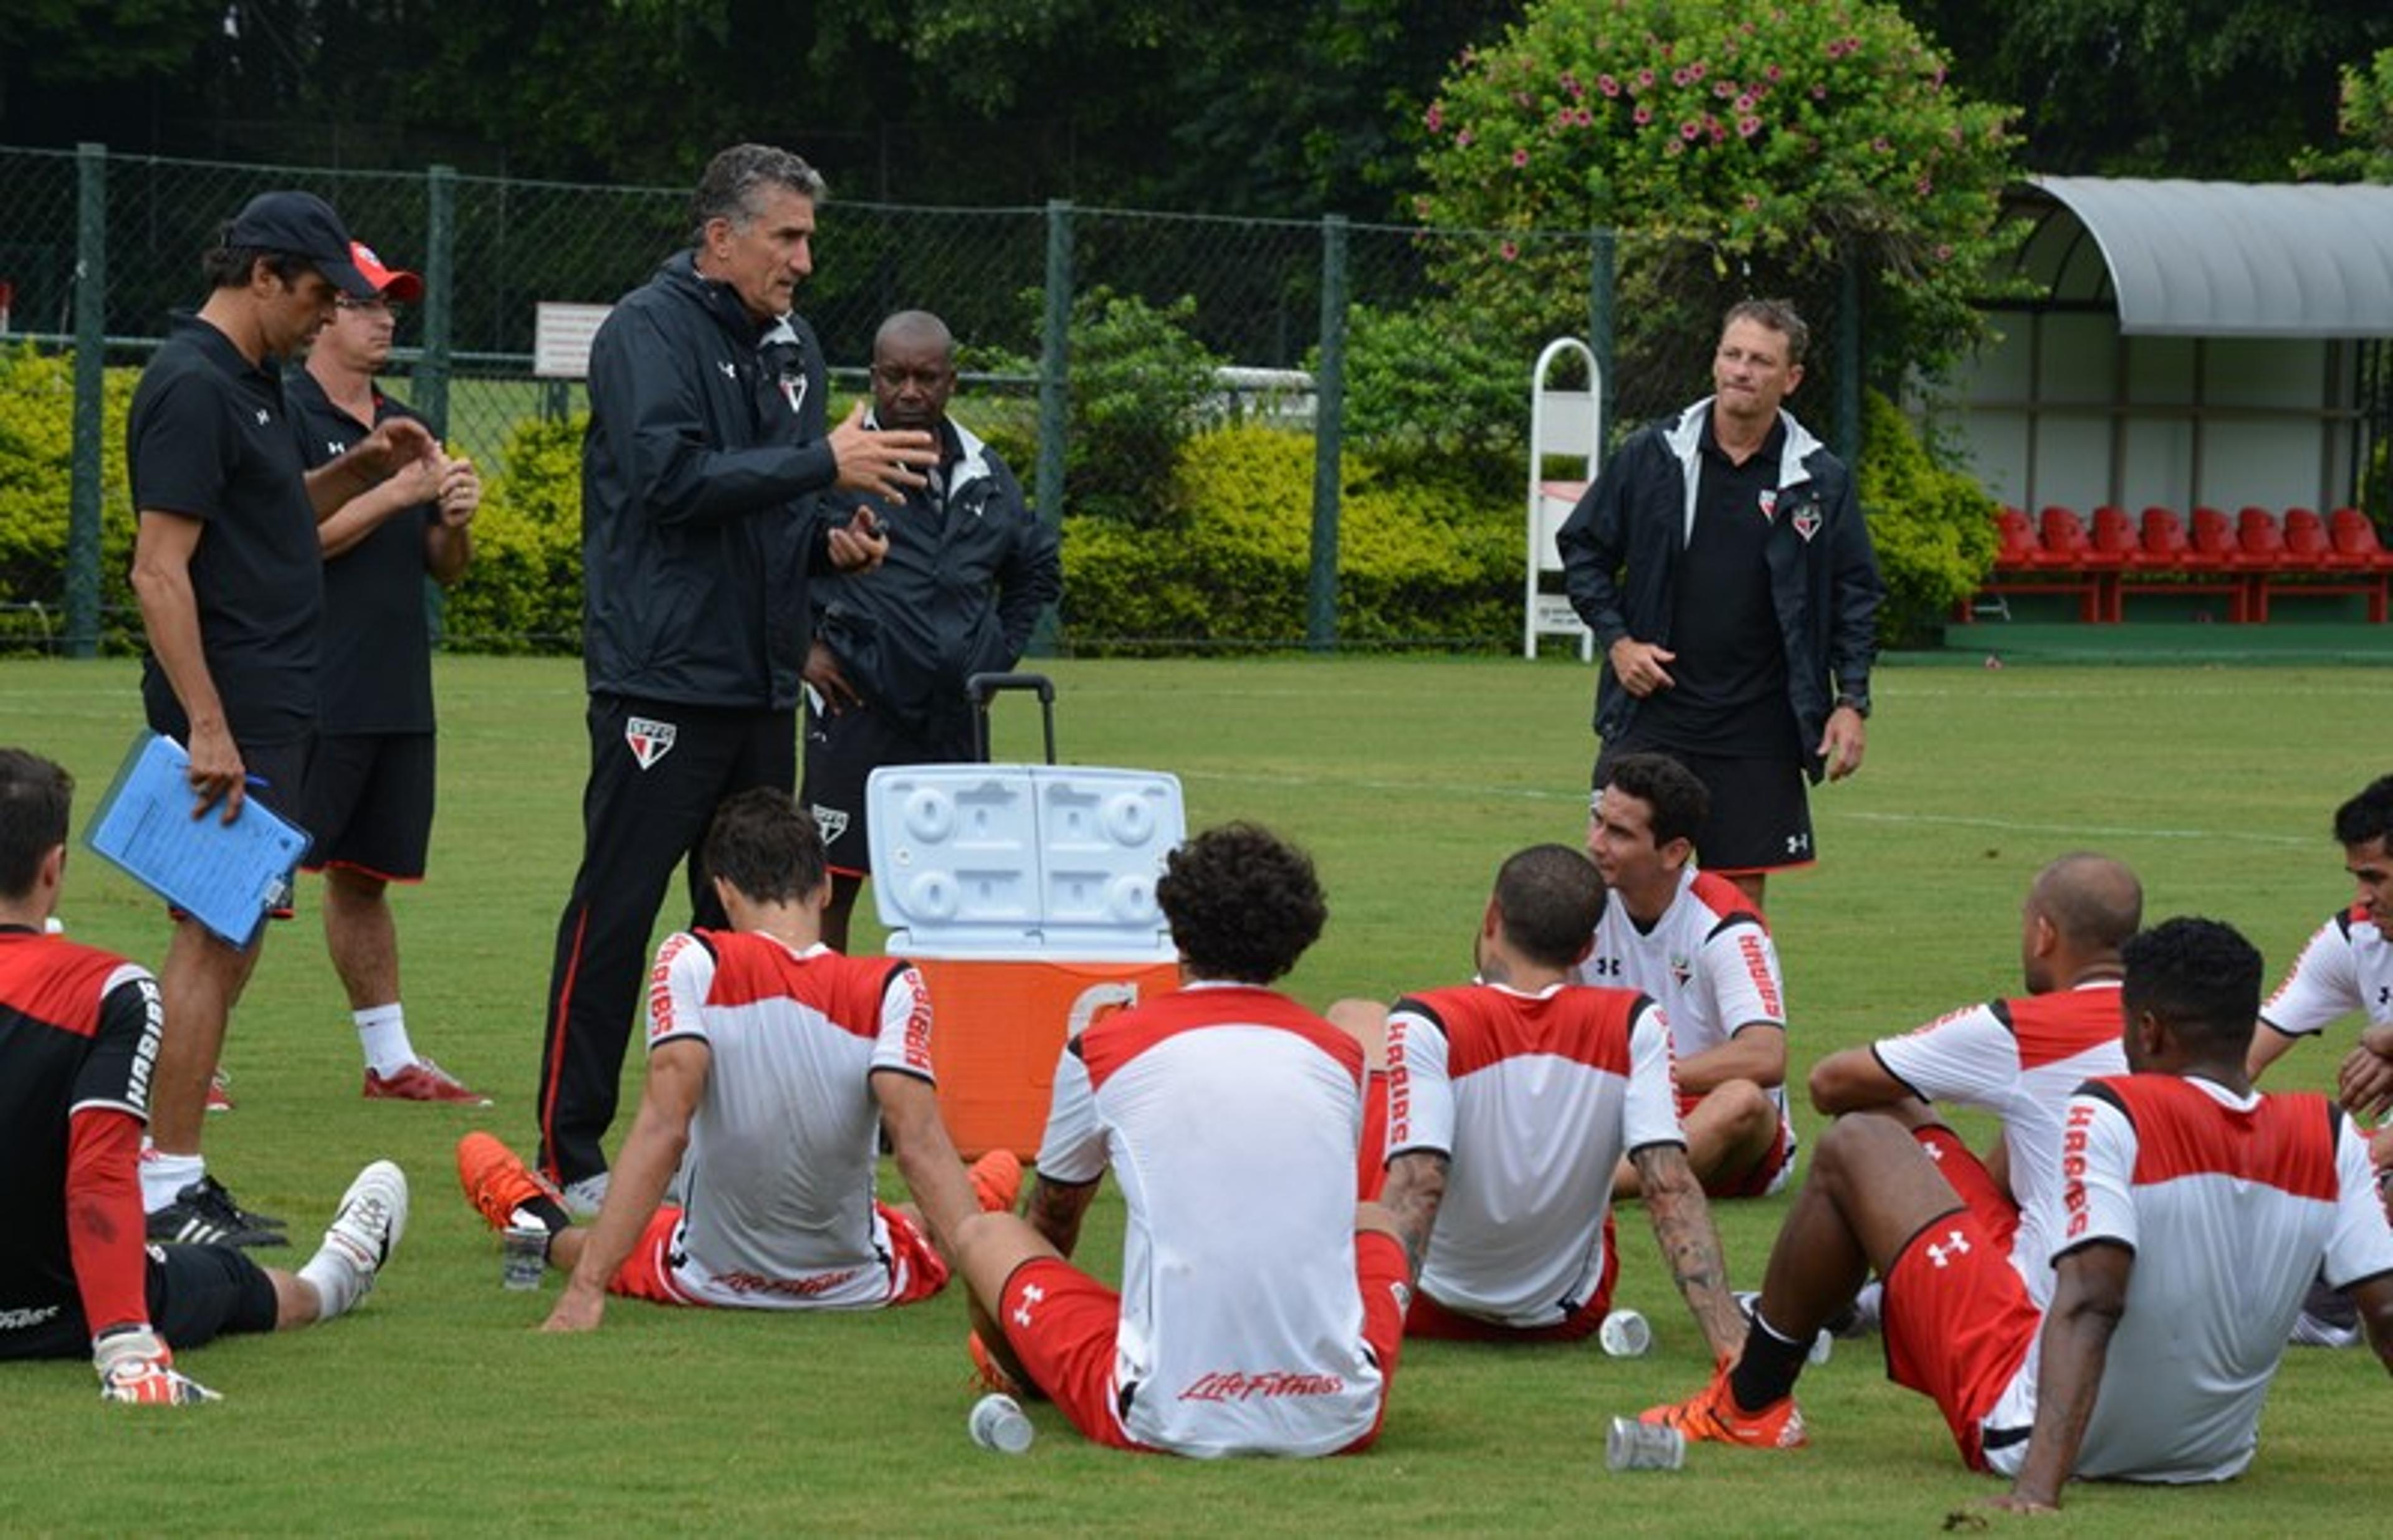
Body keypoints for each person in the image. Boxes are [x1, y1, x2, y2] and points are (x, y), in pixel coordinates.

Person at [1641, 918, 2393, 1513]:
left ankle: (1750, 1401)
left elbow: (2094, 1297)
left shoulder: (2116, 1109)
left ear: (2151, 1031)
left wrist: (2038, 1485)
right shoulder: (2329, 1134)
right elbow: (2384, 1310)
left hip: (2039, 1429)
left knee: (1857, 1142)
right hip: (2215, 1457)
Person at [534, 143, 939, 1211]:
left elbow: (777, 505)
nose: (804, 260)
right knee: (619, 913)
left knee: (754, 936)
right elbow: (669, 484)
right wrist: (823, 469)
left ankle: (728, 1158)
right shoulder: (644, 333)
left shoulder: (795, 343)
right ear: (721, 237)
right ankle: (572, 1156)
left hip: (764, 686)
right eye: (787, 236)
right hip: (661, 684)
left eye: (809, 238)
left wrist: (830, 538)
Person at [128, 191, 441, 1247]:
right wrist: (209, 724)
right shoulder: (189, 385)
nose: (325, 318)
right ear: (263, 274)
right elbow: (158, 569)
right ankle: (163, 1184)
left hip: (278, 705)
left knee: (234, 934)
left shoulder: (252, 384)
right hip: (236, 714)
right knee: (210, 940)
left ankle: (172, 1174)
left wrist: (360, 467)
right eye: (316, 296)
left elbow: (269, 519)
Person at [924, 823, 1413, 1458]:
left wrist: (1032, 1322)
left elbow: (1054, 1218)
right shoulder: (1339, 1054)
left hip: (1167, 1409)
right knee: (1375, 1219)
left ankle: (1019, 1374)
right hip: (1339, 1415)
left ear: (1177, 929)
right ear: (1294, 941)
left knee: (985, 1235)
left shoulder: (1101, 1048)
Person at [459, 788, 1015, 1329]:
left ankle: (528, 1210)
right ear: (824, 888)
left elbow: (664, 1127)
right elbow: (919, 1146)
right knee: (935, 1213)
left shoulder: (692, 960)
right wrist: (992, 1283)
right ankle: (986, 1200)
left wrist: (586, 1290)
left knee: (581, 1242)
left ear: (724, 892)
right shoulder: (893, 985)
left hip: (702, 1275)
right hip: (858, 1282)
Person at [0, 748, 409, 1404]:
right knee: (231, 1278)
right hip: (65, 1302)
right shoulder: (107, 988)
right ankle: (336, 1280)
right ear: (54, 868)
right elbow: (99, 1174)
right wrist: (127, 1344)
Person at [1334, 844, 1745, 1356]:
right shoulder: (1637, 1020)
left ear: (1491, 917)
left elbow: (1418, 1185)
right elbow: (1669, 1185)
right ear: (1586, 949)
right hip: (1565, 1314)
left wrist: (1374, 1333)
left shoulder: (1426, 1018)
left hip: (1426, 1303)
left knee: (1354, 1021)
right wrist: (1734, 1349)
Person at [1556, 298, 1883, 913]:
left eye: (1761, 361)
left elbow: (1855, 593)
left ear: (1791, 379)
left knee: (1736, 903)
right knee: (1618, 873)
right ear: (1714, 363)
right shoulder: (1653, 454)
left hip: (1758, 722)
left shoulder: (1819, 477)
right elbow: (1583, 549)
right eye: (1732, 355)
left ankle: (1728, 1012)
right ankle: (1629, 1013)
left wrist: (1851, 702)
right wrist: (1619, 642)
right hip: (1653, 709)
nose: (1742, 370)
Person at [288, 237, 485, 1105]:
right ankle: (199, 1055)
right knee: (250, 876)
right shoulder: (282, 411)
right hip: (305, 685)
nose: (385, 319)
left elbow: (444, 568)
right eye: (368, 303)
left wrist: (453, 517)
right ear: (323, 310)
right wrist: (395, 493)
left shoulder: (407, 420)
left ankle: (390, 1060)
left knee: (366, 876)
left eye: (391, 306)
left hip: (395, 688)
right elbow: (290, 545)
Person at [801, 310, 1063, 949]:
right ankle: (826, 1032)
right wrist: (799, 648)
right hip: (856, 709)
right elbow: (767, 555)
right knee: (828, 889)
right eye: (894, 377)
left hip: (955, 721)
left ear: (952, 380)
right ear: (874, 376)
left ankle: (940, 1035)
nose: (909, 392)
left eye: (926, 377)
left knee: (954, 895)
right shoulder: (830, 463)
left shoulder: (984, 470)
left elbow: (1035, 566)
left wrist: (995, 655)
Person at [1807, 853, 2140, 1307]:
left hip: (2044, 1293)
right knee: (2031, 1112)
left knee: (1880, 1107)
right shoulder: (2175, 1023)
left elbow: (1830, 1083)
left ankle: (1826, 1311)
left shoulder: (2024, 1029)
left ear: (2044, 936)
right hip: (2167, 1284)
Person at [1578, 751, 1794, 1198]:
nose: (1596, 843)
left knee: (1743, 1101)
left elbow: (1764, 1057)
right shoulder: (1578, 902)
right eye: (1597, 821)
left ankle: (1582, 1192)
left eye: (1618, 833)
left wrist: (1637, 1075)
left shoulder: (1725, 925)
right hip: (1617, 1106)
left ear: (1674, 852)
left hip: (1711, 1120)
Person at [2245, 773, 2393, 1340]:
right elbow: (2244, 1055)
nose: (2363, 896)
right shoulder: (2357, 936)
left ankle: (2327, 1295)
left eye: (2376, 877)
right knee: (2303, 1144)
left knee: (2364, 1164)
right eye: (2357, 878)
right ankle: (2325, 1298)